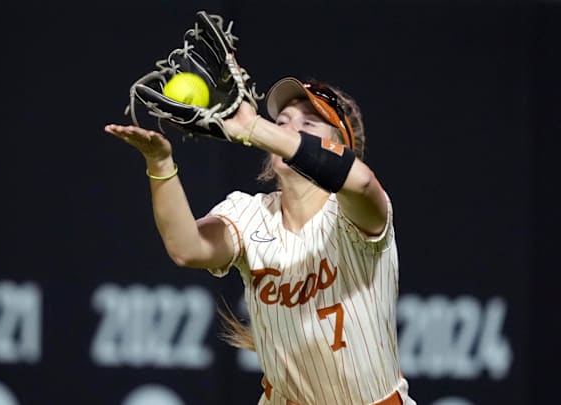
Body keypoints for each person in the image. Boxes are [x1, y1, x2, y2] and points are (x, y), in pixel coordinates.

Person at [104, 76, 415, 405]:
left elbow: (363, 183)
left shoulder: (354, 212)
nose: (289, 131)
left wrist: (256, 128)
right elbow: (186, 248)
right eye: (281, 123)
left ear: (342, 146)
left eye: (309, 123)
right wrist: (161, 163)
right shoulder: (249, 212)